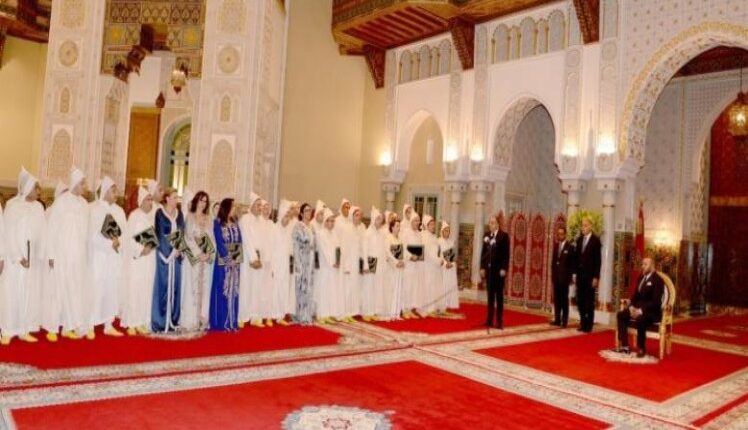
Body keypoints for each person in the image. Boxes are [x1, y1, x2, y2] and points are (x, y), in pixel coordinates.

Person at [1, 170, 45, 344]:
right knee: (12, 293)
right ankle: (8, 329)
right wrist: (18, 256)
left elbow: (42, 233)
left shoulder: (38, 207)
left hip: (31, 257)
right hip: (15, 259)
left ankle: (24, 328)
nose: (38, 191)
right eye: (35, 188)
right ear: (27, 188)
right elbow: (7, 233)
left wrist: (40, 254)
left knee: (29, 292)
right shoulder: (12, 206)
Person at [46, 167, 90, 339]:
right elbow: (52, 229)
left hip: (78, 255)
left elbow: (86, 232)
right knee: (58, 289)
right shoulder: (61, 202)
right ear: (75, 184)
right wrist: (51, 254)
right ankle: (52, 328)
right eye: (82, 183)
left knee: (74, 290)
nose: (85, 186)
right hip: (61, 254)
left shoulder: (84, 204)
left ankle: (68, 325)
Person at [87, 177, 126, 337]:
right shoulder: (93, 209)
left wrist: (118, 242)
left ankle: (108, 324)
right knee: (96, 289)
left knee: (111, 289)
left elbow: (125, 232)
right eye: (113, 190)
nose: (116, 193)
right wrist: (109, 244)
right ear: (105, 191)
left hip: (114, 258)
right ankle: (90, 324)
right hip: (98, 256)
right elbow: (91, 235)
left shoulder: (119, 211)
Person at [122, 187, 156, 336]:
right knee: (134, 290)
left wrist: (150, 247)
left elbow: (153, 237)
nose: (151, 202)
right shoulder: (134, 216)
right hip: (137, 261)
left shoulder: (150, 217)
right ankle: (131, 322)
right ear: (141, 201)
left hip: (148, 261)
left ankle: (142, 321)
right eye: (148, 199)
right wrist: (140, 250)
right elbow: (128, 239)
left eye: (151, 199)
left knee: (145, 290)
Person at [615, 258, 665, 357]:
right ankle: (625, 346)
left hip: (652, 312)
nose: (643, 266)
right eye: (642, 264)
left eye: (645, 264)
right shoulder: (641, 277)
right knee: (620, 315)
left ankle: (641, 348)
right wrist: (631, 307)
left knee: (640, 319)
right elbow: (635, 296)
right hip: (637, 308)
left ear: (652, 265)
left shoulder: (658, 280)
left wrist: (640, 311)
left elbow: (655, 302)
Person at [152, 188, 185, 333]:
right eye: (174, 197)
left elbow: (181, 232)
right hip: (164, 256)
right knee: (163, 286)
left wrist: (179, 249)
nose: (177, 200)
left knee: (176, 287)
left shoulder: (180, 214)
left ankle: (173, 319)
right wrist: (169, 253)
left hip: (176, 257)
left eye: (177, 197)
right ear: (167, 198)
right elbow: (159, 234)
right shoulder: (159, 213)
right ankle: (160, 321)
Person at [182, 191, 214, 331]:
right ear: (196, 201)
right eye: (201, 200)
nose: (203, 204)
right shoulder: (190, 217)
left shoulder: (209, 219)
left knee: (204, 288)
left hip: (204, 260)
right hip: (194, 260)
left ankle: (202, 318)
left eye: (205, 201)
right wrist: (197, 253)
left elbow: (212, 238)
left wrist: (208, 253)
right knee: (192, 287)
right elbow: (187, 238)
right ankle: (191, 319)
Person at [210, 198, 243, 331]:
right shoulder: (218, 223)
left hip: (235, 264)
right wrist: (229, 259)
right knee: (223, 290)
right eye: (233, 206)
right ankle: (221, 322)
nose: (235, 209)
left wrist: (236, 259)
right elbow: (219, 242)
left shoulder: (235, 223)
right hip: (223, 264)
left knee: (234, 291)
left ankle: (232, 321)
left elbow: (239, 241)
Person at [238, 193, 268, 328]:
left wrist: (263, 258)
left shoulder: (262, 221)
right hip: (248, 259)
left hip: (260, 259)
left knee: (257, 288)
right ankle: (242, 316)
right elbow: (247, 240)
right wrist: (253, 258)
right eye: (257, 205)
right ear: (251, 206)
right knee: (246, 287)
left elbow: (265, 241)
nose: (260, 208)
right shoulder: (245, 219)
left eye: (261, 205)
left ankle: (255, 316)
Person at [480, 215, 509, 329]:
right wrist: (482, 267)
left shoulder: (504, 236)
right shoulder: (487, 236)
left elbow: (506, 254)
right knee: (490, 296)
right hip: (489, 270)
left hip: (499, 271)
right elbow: (483, 253)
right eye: (490, 222)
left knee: (499, 297)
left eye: (492, 223)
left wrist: (504, 268)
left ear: (497, 224)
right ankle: (489, 320)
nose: (490, 225)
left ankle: (499, 321)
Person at [573, 216, 601, 333]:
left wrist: (596, 277)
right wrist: (574, 273)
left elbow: (598, 261)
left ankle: (589, 325)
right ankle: (583, 322)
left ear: (590, 226)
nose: (583, 228)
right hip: (580, 276)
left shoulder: (595, 240)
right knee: (580, 301)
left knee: (589, 302)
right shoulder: (579, 240)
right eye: (582, 225)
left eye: (585, 225)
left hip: (590, 277)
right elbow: (576, 258)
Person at [271, 200, 295, 325]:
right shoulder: (274, 229)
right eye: (286, 216)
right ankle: (274, 314)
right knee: (275, 288)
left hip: (286, 265)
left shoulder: (289, 230)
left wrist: (291, 266)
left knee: (285, 288)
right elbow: (270, 249)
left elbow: (291, 250)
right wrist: (272, 267)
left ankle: (281, 314)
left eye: (289, 217)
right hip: (276, 265)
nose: (287, 219)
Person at [315, 208, 341, 323]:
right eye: (328, 221)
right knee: (324, 290)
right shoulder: (320, 233)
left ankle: (330, 313)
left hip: (334, 267)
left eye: (332, 221)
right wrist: (332, 262)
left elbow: (338, 249)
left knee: (332, 290)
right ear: (325, 222)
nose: (331, 223)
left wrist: (338, 261)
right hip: (325, 266)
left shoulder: (335, 234)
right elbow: (324, 250)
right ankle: (322, 314)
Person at [339, 206, 366, 321]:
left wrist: (363, 265)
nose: (359, 217)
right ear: (352, 216)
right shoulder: (347, 229)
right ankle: (345, 313)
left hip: (357, 263)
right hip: (349, 263)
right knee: (347, 289)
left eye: (360, 215)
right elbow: (343, 248)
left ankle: (352, 311)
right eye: (356, 215)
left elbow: (362, 249)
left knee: (355, 288)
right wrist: (345, 265)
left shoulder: (360, 229)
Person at [292, 203, 316, 324]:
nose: (309, 213)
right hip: (302, 260)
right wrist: (297, 263)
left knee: (309, 288)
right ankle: (300, 315)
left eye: (310, 210)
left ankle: (308, 315)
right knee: (301, 287)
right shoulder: (298, 227)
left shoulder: (312, 227)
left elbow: (314, 245)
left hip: (310, 260)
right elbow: (295, 246)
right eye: (306, 210)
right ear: (301, 213)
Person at [363, 207, 387, 320]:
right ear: (373, 219)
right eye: (377, 219)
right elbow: (365, 250)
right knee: (369, 287)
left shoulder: (381, 233)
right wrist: (366, 265)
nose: (380, 221)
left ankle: (375, 311)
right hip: (371, 262)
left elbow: (383, 249)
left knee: (377, 287)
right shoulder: (368, 233)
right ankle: (367, 312)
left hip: (380, 263)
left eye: (381, 219)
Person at [550, 226, 575, 327]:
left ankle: (564, 321)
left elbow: (572, 264)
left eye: (561, 234)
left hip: (564, 278)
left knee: (564, 300)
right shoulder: (556, 246)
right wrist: (553, 276)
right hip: (556, 277)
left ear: (565, 234)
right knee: (557, 299)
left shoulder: (570, 247)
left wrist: (570, 278)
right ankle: (557, 319)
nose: (560, 236)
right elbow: (553, 262)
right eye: (558, 234)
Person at [401, 213, 424, 319]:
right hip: (408, 264)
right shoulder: (405, 232)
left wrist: (419, 256)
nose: (417, 222)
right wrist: (410, 256)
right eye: (415, 220)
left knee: (414, 287)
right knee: (407, 286)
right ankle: (404, 309)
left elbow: (420, 248)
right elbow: (403, 247)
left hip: (416, 264)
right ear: (411, 221)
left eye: (418, 220)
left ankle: (410, 309)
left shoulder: (419, 234)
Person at [421, 215, 443, 316]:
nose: (433, 226)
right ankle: (427, 308)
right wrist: (438, 261)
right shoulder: (424, 236)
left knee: (434, 287)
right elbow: (428, 253)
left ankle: (433, 307)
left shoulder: (434, 236)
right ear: (426, 225)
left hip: (435, 266)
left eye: (434, 224)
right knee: (428, 286)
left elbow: (437, 251)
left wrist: (440, 259)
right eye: (431, 224)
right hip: (428, 265)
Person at [383, 219, 405, 320]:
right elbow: (388, 253)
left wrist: (403, 261)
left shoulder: (400, 239)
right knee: (391, 289)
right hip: (392, 268)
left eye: (399, 226)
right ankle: (390, 312)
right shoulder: (388, 238)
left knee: (398, 289)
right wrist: (396, 262)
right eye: (397, 226)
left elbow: (404, 253)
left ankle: (396, 313)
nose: (399, 228)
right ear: (392, 227)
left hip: (399, 268)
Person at [438, 222, 459, 313]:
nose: (447, 232)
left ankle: (447, 304)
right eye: (445, 230)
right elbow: (438, 255)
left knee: (449, 285)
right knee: (442, 286)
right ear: (442, 231)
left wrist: (452, 263)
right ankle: (441, 305)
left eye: (448, 231)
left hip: (450, 268)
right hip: (442, 268)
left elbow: (453, 256)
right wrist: (445, 263)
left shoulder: (451, 242)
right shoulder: (438, 241)